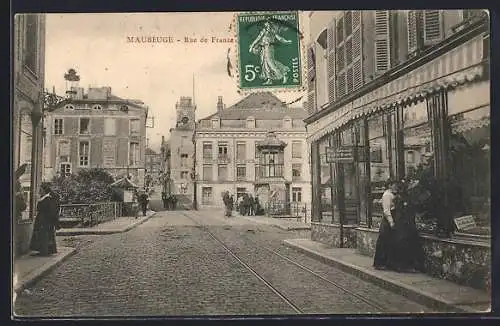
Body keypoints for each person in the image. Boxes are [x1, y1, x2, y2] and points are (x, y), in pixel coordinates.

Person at [248, 19, 292, 85]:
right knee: (265, 64)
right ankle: (269, 79)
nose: (268, 26)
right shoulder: (263, 32)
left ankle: (284, 75)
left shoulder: (272, 32)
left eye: (269, 25)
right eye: (266, 25)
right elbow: (257, 39)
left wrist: (286, 41)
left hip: (269, 48)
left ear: (271, 25)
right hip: (263, 49)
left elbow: (279, 38)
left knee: (270, 62)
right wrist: (252, 47)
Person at [373, 180, 400, 271]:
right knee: (384, 242)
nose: (396, 186)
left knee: (390, 242)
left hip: (392, 219)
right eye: (394, 185)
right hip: (387, 222)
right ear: (389, 185)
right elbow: (386, 210)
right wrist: (391, 222)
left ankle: (389, 263)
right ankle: (380, 263)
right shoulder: (387, 195)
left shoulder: (393, 194)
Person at [29, 183, 60, 256]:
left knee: (44, 235)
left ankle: (45, 251)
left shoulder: (48, 198)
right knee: (42, 235)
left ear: (44, 190)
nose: (39, 191)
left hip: (45, 220)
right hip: (42, 219)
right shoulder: (45, 198)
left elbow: (48, 209)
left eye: (41, 190)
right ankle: (44, 250)